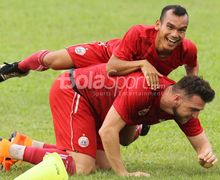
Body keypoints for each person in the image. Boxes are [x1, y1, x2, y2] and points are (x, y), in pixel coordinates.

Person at [0, 63, 217, 177]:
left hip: (95, 107)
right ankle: (7, 150)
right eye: (194, 109)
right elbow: (108, 131)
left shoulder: (180, 106)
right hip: (73, 91)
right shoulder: (144, 90)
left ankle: (26, 143)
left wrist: (205, 154)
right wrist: (124, 174)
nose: (195, 115)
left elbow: (200, 142)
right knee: (83, 166)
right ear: (177, 98)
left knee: (102, 165)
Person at [0, 5, 198, 90]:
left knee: (125, 130)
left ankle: (139, 125)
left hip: (129, 81)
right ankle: (18, 68)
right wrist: (143, 64)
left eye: (182, 30)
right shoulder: (138, 33)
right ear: (158, 25)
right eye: (170, 27)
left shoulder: (187, 49)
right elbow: (112, 66)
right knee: (53, 60)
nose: (174, 35)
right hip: (110, 55)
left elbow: (192, 67)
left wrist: (192, 87)